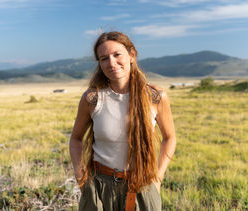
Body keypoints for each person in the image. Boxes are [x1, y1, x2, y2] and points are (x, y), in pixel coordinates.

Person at [69, 31, 176, 211]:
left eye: (117, 54)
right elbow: (76, 139)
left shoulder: (155, 97)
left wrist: (157, 178)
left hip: (142, 185)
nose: (111, 63)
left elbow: (170, 138)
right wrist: (83, 180)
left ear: (131, 55)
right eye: (104, 58)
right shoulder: (92, 99)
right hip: (99, 188)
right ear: (99, 63)